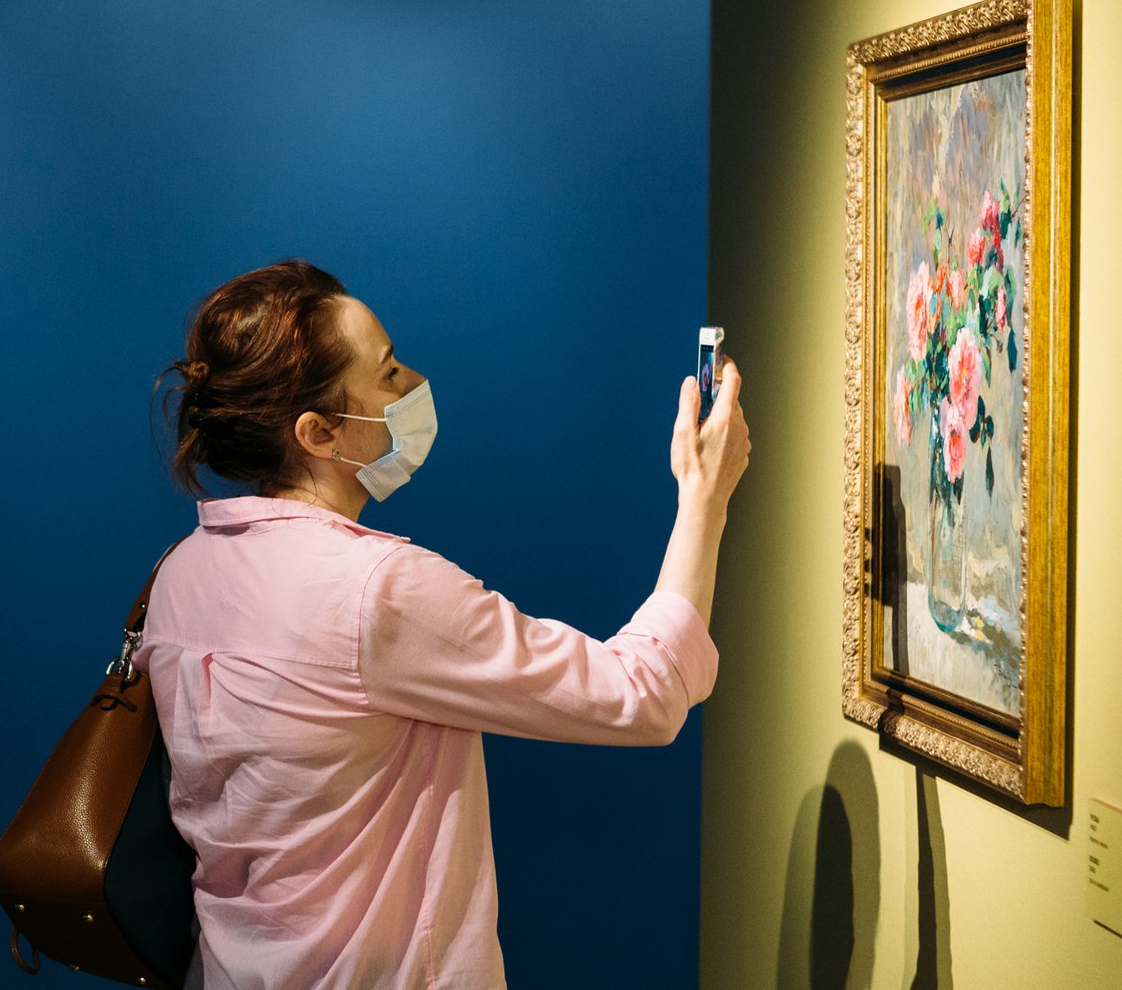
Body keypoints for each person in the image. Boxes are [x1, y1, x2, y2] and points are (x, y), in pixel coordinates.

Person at [136, 260, 750, 989]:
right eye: (389, 372)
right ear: (320, 433)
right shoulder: (376, 591)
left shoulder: (180, 572)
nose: (414, 385)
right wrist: (704, 499)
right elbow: (642, 694)